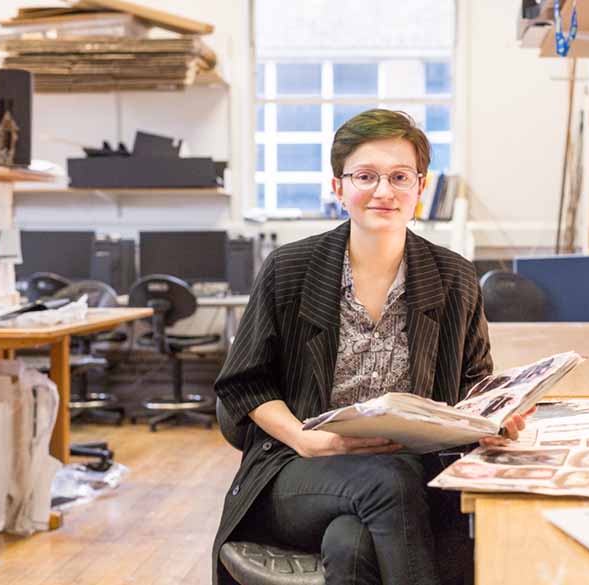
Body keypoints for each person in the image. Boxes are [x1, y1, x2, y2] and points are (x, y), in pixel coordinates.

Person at [211, 109, 530, 585]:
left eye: (400, 177)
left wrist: (494, 417)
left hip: (413, 468)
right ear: (338, 187)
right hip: (299, 468)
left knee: (350, 545)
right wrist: (303, 437)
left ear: (420, 188)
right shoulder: (290, 269)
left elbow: (473, 383)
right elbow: (244, 383)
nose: (384, 191)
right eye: (366, 176)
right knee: (388, 483)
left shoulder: (455, 276)